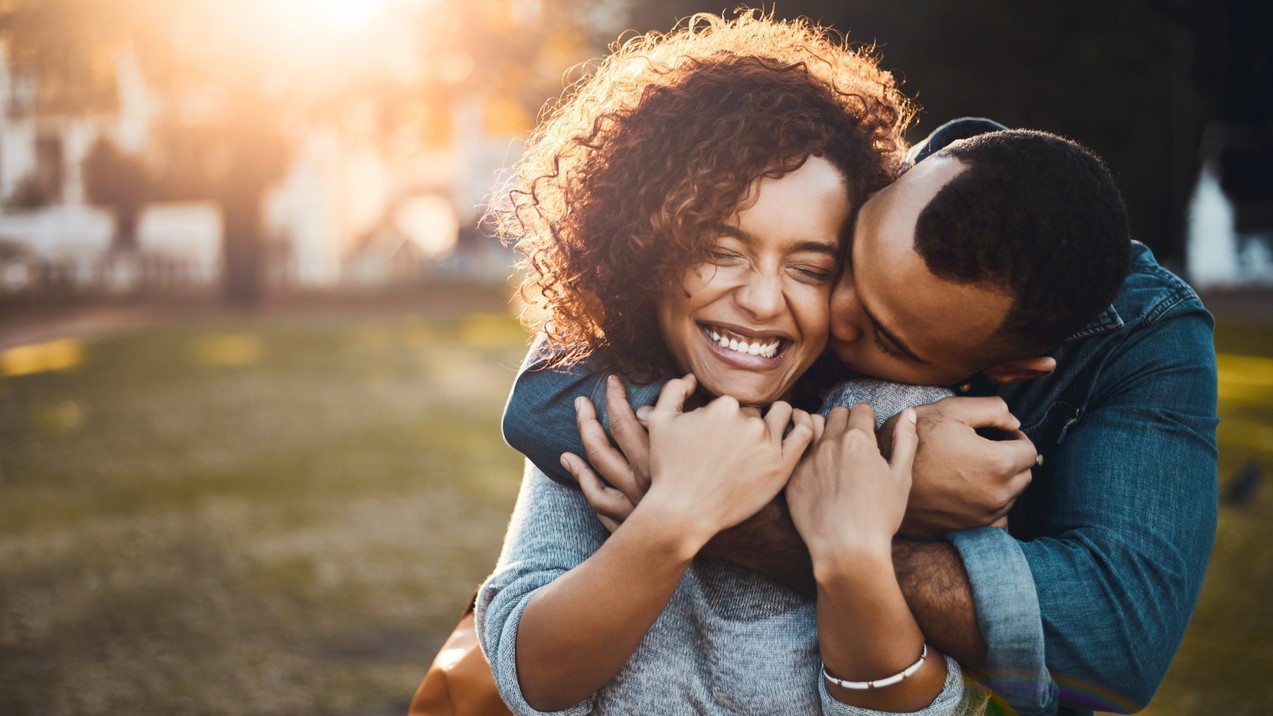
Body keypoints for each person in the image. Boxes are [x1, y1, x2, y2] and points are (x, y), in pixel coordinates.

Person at [509, 118, 1219, 716]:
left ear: (1002, 369)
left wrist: (841, 519)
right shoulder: (834, 183)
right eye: (840, 262)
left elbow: (1110, 643)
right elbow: (544, 403)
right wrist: (876, 475)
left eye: (883, 337)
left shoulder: (1135, 339)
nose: (826, 314)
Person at [476, 11, 990, 716]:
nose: (759, 300)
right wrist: (679, 513)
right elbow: (531, 676)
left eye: (809, 268)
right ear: (643, 246)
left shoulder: (884, 424)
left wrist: (849, 559)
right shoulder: (606, 408)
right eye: (719, 251)